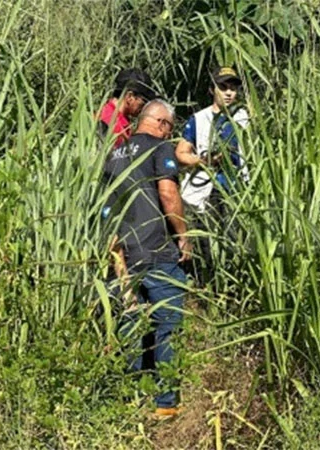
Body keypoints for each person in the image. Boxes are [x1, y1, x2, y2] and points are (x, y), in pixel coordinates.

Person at [102, 99, 192, 418]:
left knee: (129, 327)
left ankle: (128, 403)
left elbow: (106, 214)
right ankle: (166, 404)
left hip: (124, 259)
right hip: (157, 253)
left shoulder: (113, 156)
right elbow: (168, 195)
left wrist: (116, 260)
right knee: (168, 326)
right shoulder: (160, 148)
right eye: (171, 125)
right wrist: (183, 235)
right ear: (163, 125)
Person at [175, 67, 250, 287]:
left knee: (236, 239)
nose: (229, 93)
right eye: (223, 87)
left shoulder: (243, 117)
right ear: (212, 90)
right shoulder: (199, 119)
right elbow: (181, 153)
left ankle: (235, 285)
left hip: (237, 187)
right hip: (209, 189)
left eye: (233, 88)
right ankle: (209, 285)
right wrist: (205, 161)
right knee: (209, 240)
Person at [98, 68, 157, 148]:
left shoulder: (112, 114)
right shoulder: (111, 124)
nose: (144, 107)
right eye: (144, 101)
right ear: (130, 97)